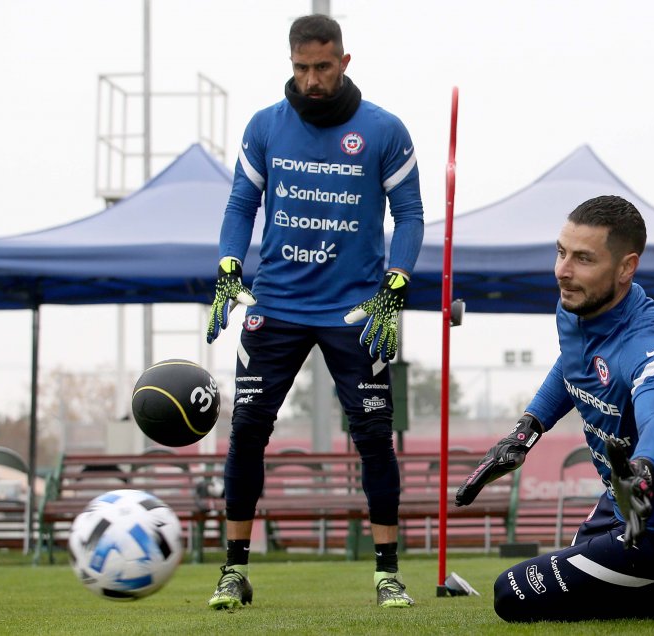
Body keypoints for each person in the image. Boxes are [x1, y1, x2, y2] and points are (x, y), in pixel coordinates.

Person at [455, 195, 654, 622]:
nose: (563, 271)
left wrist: (642, 470)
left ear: (626, 268)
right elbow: (573, 366)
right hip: (621, 504)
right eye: (561, 252)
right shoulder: (575, 306)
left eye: (583, 258)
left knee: (513, 593)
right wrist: (526, 430)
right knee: (574, 585)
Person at [204, 14, 423, 611]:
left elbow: (410, 214)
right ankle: (233, 571)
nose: (312, 80)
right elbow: (240, 203)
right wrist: (229, 264)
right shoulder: (265, 127)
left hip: (356, 311)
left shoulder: (384, 130)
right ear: (291, 63)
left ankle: (387, 574)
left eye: (323, 67)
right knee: (247, 433)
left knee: (375, 438)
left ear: (344, 63)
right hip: (275, 304)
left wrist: (396, 282)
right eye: (301, 68)